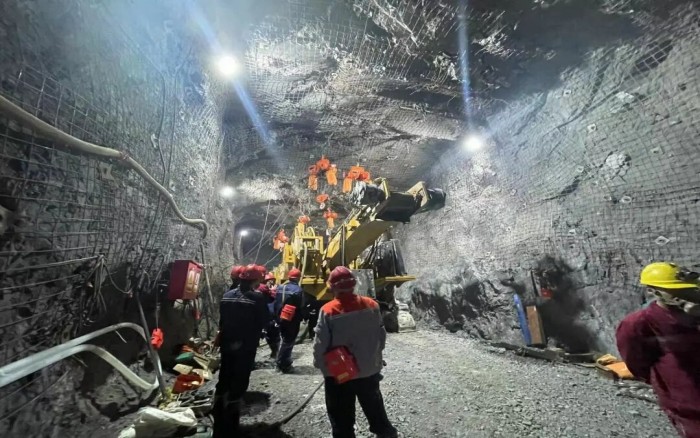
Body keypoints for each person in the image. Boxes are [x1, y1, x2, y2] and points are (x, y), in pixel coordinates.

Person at [616, 262, 700, 438]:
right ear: (653, 291)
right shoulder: (638, 324)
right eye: (674, 290)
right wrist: (665, 383)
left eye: (687, 289)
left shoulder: (694, 317)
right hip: (689, 404)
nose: (683, 295)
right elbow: (636, 362)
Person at [313, 266, 398, 438]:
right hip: (369, 370)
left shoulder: (328, 310)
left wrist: (321, 365)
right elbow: (381, 335)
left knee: (341, 416)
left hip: (340, 373)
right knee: (375, 408)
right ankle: (386, 433)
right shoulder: (372, 305)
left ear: (332, 287)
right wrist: (376, 357)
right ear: (353, 284)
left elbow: (320, 344)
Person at [212, 264, 269, 437]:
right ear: (256, 280)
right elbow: (264, 320)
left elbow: (222, 321)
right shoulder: (257, 298)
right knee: (239, 380)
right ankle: (231, 427)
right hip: (245, 346)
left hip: (227, 344)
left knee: (224, 378)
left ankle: (218, 421)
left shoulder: (227, 295)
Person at [274, 267, 304, 372]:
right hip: (292, 319)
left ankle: (281, 362)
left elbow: (276, 303)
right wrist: (303, 317)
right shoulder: (298, 290)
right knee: (288, 341)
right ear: (298, 278)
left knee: (283, 339)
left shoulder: (280, 287)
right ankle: (282, 364)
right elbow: (301, 306)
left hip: (280, 317)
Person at [258, 282, 279, 358]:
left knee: (273, 338)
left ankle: (275, 353)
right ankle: (274, 352)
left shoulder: (271, 301)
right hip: (267, 322)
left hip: (271, 322)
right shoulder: (261, 300)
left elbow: (275, 311)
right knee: (270, 339)